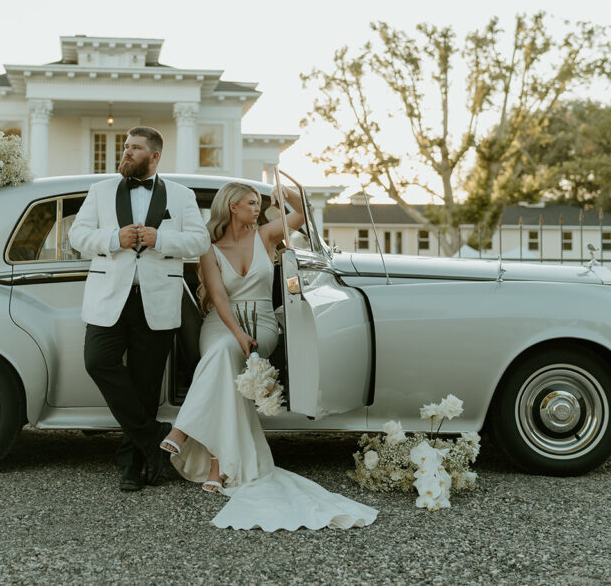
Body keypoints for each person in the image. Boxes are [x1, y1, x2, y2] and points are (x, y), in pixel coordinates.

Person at [160, 181, 378, 530]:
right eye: (250, 202)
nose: (257, 208)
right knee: (222, 354)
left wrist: (285, 193)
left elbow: (303, 216)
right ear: (232, 206)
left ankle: (183, 430)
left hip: (262, 324)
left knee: (220, 359)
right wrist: (237, 333)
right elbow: (217, 297)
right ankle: (217, 464)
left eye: (259, 203)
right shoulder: (209, 248)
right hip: (222, 323)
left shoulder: (265, 235)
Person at [68, 126, 210, 492]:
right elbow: (78, 236)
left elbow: (200, 240)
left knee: (146, 386)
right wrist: (114, 239)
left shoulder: (181, 196)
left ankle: (133, 464)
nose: (127, 152)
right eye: (126, 146)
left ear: (155, 156)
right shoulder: (100, 192)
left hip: (157, 299)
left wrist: (159, 238)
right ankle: (154, 436)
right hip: (108, 299)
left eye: (135, 148)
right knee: (97, 361)